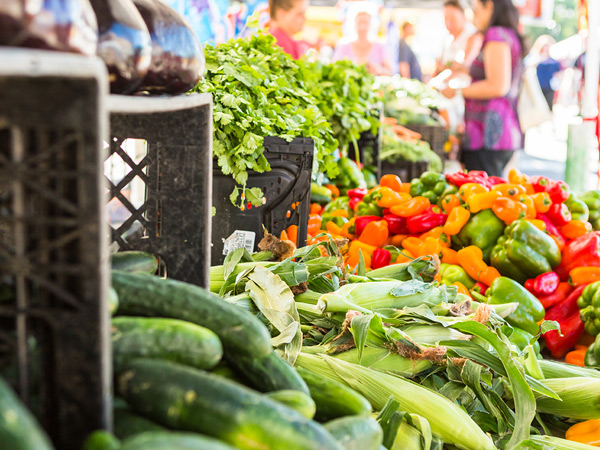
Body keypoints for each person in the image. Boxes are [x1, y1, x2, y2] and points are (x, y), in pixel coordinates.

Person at [441, 0, 524, 177]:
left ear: (490, 7)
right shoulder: (506, 34)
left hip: (489, 136)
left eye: (477, 10)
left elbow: (498, 85)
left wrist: (456, 91)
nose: (474, 15)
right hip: (495, 135)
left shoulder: (496, 35)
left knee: (480, 196)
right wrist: (464, 69)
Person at [436, 0, 482, 74]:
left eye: (452, 18)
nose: (448, 23)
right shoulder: (447, 40)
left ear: (464, 16)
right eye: (446, 18)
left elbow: (467, 68)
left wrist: (449, 67)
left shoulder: (473, 37)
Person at [529, 35, 560, 110]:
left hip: (549, 86)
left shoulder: (553, 61)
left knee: (549, 106)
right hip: (538, 86)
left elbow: (557, 72)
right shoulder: (536, 59)